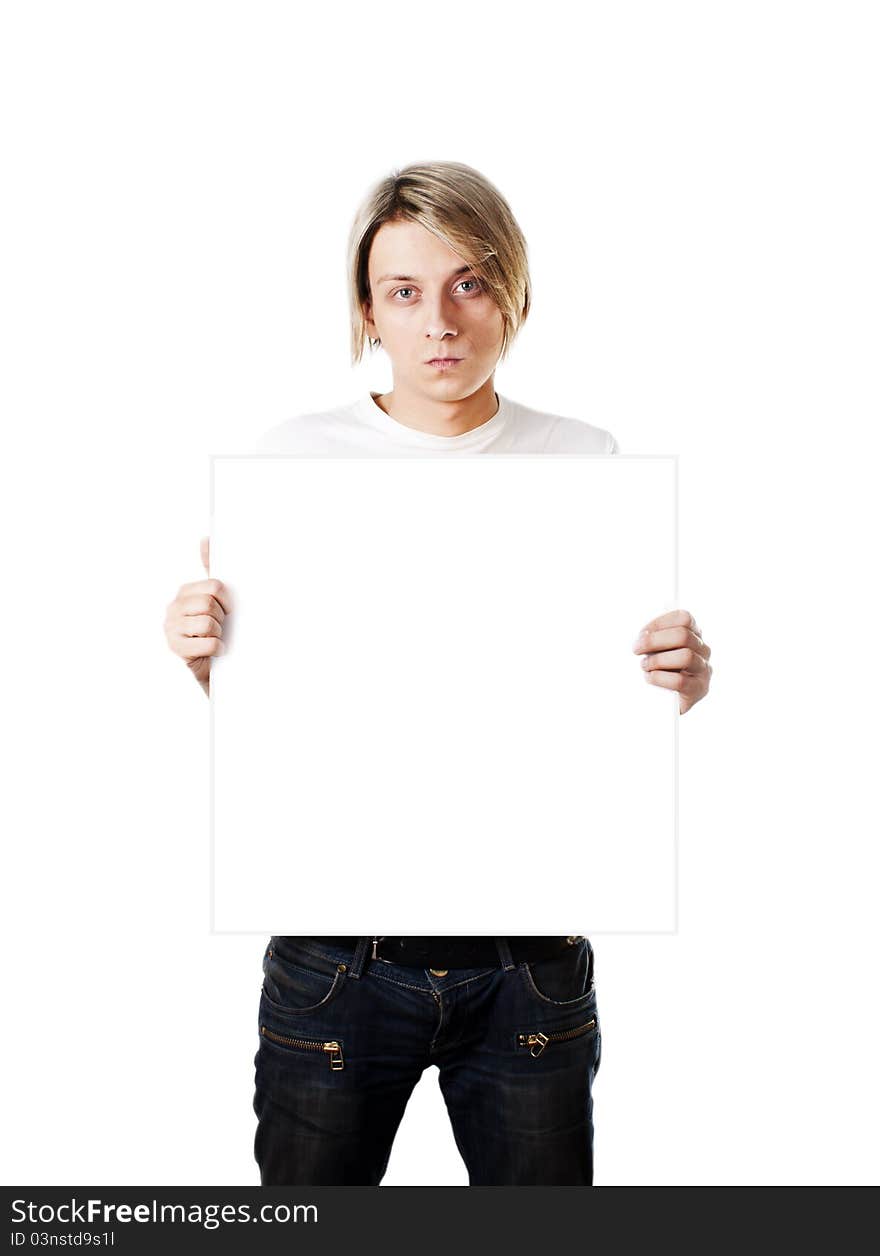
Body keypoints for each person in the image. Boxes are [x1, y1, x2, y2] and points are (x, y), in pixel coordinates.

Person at [163, 161, 713, 1185]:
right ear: (367, 310)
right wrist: (210, 658)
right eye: (405, 292)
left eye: (470, 282)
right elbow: (285, 713)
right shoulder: (293, 460)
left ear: (512, 290)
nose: (440, 321)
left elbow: (594, 697)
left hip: (527, 955)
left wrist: (673, 677)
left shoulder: (585, 458)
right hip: (337, 951)